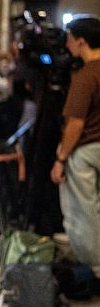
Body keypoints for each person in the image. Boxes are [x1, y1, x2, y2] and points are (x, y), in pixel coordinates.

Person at [50, 15, 100, 280]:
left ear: (81, 42)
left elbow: (75, 124)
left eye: (69, 38)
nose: (66, 44)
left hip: (86, 151)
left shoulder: (85, 77)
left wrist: (61, 158)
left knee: (83, 213)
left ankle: (92, 270)